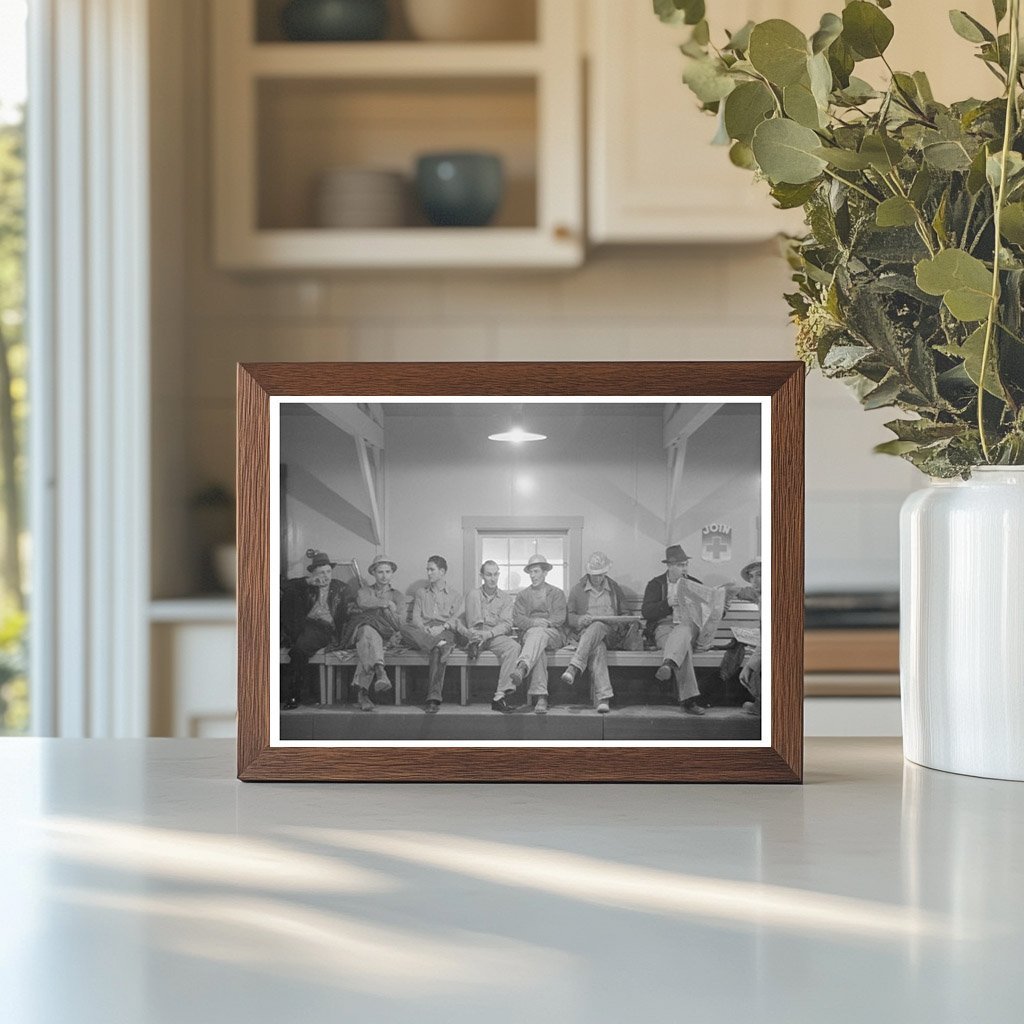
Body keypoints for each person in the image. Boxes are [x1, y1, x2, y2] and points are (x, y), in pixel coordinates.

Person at [562, 551, 633, 714]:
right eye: (595, 575)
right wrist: (580, 619)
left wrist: (617, 621)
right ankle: (604, 698)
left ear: (606, 572)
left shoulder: (614, 588)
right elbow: (569, 617)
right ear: (588, 573)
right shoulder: (577, 589)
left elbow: (626, 614)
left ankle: (574, 667)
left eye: (601, 575)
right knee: (598, 646)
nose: (599, 579)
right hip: (587, 637)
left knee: (599, 625)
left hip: (612, 634)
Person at [641, 544, 707, 716]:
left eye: (685, 564)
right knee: (683, 650)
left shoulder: (694, 584)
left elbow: (705, 612)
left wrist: (720, 606)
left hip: (687, 627)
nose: (684, 568)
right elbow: (646, 612)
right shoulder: (656, 584)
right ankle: (689, 701)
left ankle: (668, 663)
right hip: (664, 627)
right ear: (669, 566)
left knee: (684, 631)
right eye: (679, 565)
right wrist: (667, 603)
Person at [280, 550, 350, 710]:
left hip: (323, 628)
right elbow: (283, 586)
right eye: (321, 572)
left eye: (328, 571)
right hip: (303, 625)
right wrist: (308, 582)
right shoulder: (308, 585)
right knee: (290, 594)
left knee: (298, 650)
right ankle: (286, 637)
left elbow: (349, 612)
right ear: (314, 574)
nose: (326, 576)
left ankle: (293, 694)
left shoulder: (341, 588)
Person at [400, 555, 463, 714]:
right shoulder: (421, 592)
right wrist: (424, 629)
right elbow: (415, 617)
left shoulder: (455, 594)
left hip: (445, 631)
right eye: (427, 569)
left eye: (431, 569)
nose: (428, 573)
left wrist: (441, 627)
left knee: (436, 650)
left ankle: (433, 698)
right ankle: (438, 644)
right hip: (424, 631)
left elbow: (456, 619)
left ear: (442, 572)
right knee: (404, 629)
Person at [344, 554, 404, 712]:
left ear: (392, 573)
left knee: (368, 639)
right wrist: (386, 604)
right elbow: (363, 603)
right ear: (373, 573)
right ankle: (380, 671)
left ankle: (363, 693)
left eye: (388, 572)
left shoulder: (398, 595)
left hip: (383, 636)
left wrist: (390, 612)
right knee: (368, 630)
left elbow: (400, 623)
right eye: (380, 572)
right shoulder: (365, 591)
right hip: (362, 630)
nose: (384, 576)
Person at [462, 560, 522, 715]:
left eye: (495, 574)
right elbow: (465, 620)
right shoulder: (473, 594)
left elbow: (507, 624)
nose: (492, 578)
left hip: (493, 635)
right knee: (473, 595)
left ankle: (499, 696)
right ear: (482, 575)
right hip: (475, 632)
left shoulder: (505, 598)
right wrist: (475, 633)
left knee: (514, 647)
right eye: (488, 574)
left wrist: (489, 634)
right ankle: (474, 643)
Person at [509, 553, 567, 714]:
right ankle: (541, 698)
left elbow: (560, 617)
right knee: (538, 646)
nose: (533, 576)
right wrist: (534, 623)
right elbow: (518, 619)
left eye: (536, 571)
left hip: (553, 634)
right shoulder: (523, 595)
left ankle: (522, 667)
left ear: (545, 572)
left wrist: (545, 623)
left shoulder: (556, 593)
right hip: (532, 635)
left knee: (539, 635)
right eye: (531, 572)